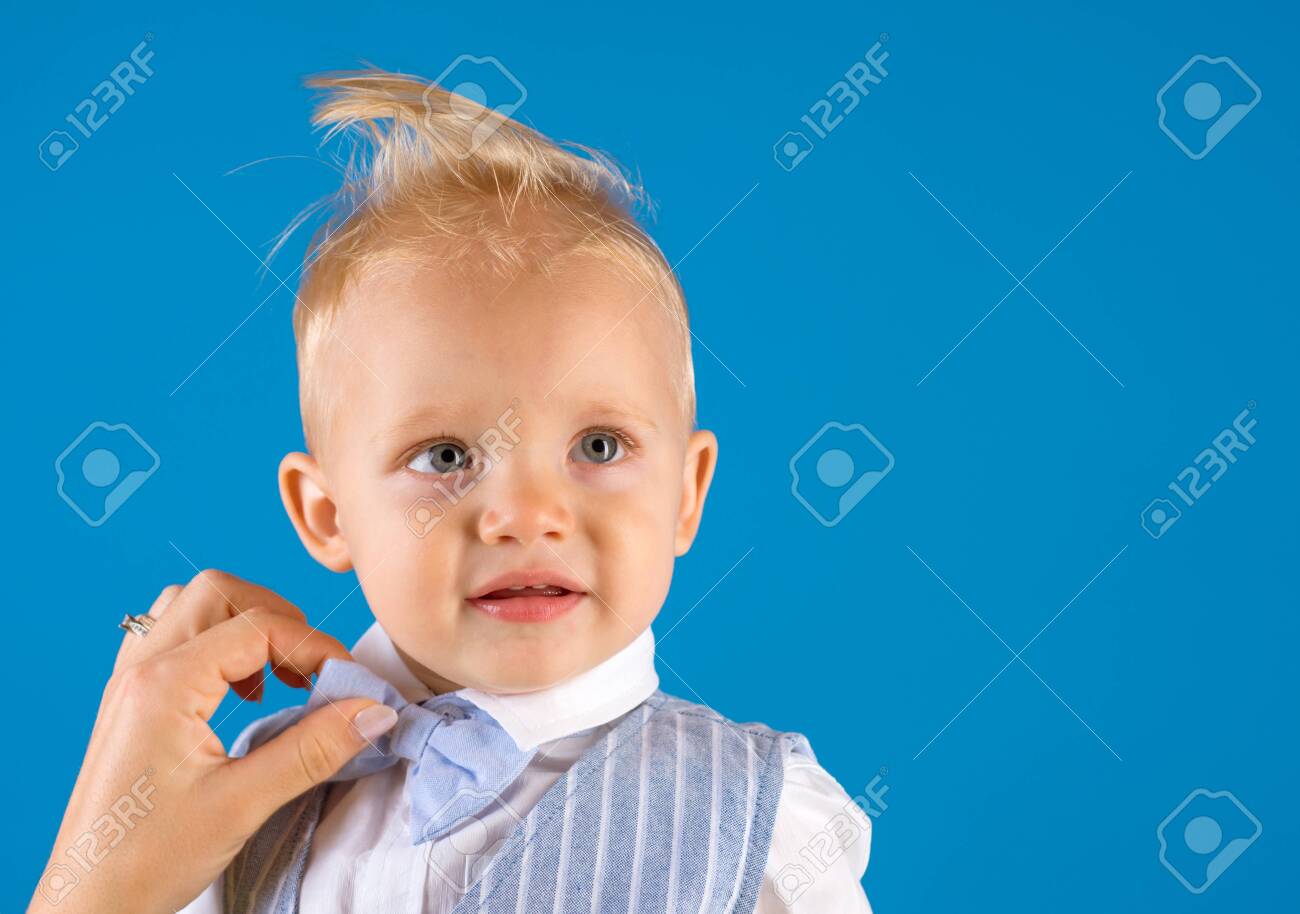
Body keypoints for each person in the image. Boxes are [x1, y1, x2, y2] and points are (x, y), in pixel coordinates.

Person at [31, 67, 872, 914]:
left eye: (599, 445)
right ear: (327, 514)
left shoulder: (759, 825)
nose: (527, 516)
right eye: (444, 457)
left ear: (687, 493)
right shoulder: (221, 814)